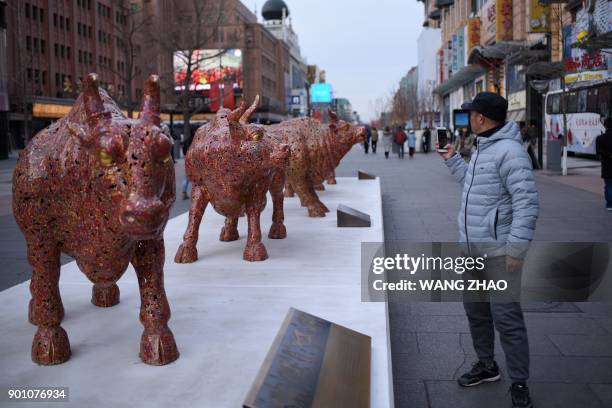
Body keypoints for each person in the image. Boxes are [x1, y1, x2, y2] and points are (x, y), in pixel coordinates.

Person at [437, 92, 539, 408]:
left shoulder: (510, 152)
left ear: (481, 118)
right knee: (477, 313)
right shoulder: (483, 148)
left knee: (507, 319)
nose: (468, 118)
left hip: (498, 253)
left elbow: (527, 203)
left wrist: (516, 249)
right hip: (471, 249)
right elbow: (474, 186)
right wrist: (453, 159)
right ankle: (487, 365)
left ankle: (519, 382)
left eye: (471, 113)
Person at [596, 117, 612, 211]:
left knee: (608, 185)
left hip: (607, 165)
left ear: (605, 126)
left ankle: (610, 204)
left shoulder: (600, 138)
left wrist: (608, 155)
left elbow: (599, 152)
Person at [181, 131, 193, 200]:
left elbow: (183, 150)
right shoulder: (196, 140)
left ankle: (184, 192)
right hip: (194, 159)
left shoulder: (186, 140)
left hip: (187, 159)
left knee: (186, 177)